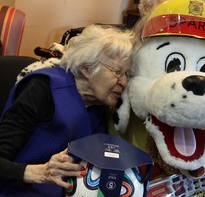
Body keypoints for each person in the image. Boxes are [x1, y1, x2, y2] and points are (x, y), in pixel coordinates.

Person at [0, 25, 136, 196]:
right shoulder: (43, 89)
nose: (124, 82)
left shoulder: (99, 106)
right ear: (87, 68)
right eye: (117, 72)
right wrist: (41, 173)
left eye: (127, 75)